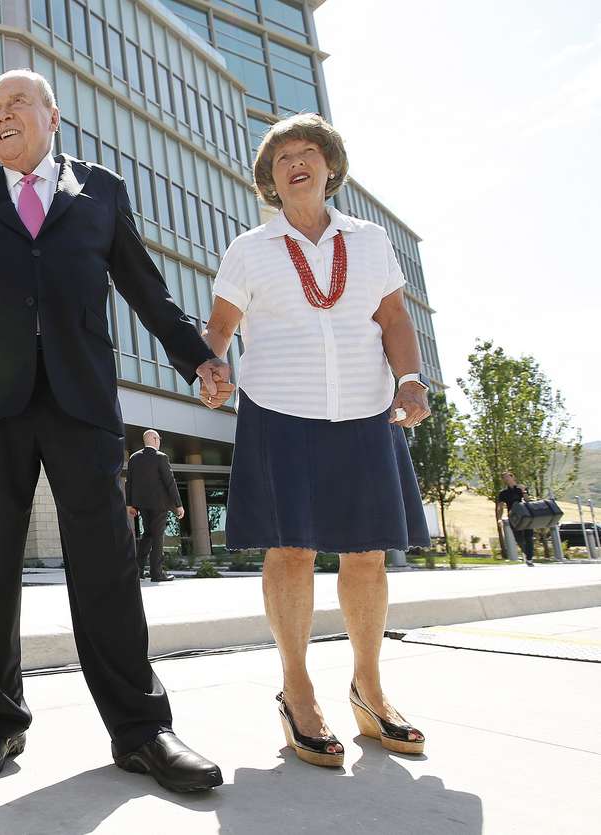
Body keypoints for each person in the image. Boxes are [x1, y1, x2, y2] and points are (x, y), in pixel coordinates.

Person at [0, 69, 233, 794]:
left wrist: (197, 358)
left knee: (107, 566)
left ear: (53, 116)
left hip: (82, 401)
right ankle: (0, 718)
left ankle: (141, 728)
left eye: (16, 104)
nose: (0, 115)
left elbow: (143, 286)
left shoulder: (100, 191)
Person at [201, 113, 431, 768]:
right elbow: (220, 326)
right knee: (292, 550)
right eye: (281, 158)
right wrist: (211, 365)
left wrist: (410, 381)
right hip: (281, 409)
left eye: (308, 152)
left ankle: (370, 687)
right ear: (270, 181)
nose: (296, 162)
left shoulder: (371, 240)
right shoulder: (249, 247)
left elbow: (393, 317)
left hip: (365, 410)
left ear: (331, 166)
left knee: (366, 553)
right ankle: (297, 690)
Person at [126, 430, 185, 583]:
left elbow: (129, 482)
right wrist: (178, 505)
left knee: (148, 535)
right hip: (159, 505)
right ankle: (157, 573)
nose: (159, 441)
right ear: (154, 439)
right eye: (158, 438)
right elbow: (170, 482)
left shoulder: (134, 458)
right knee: (157, 537)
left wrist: (129, 504)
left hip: (142, 505)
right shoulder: (161, 457)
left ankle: (137, 571)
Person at [496, 471, 535, 566]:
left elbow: (528, 500)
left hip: (526, 515)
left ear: (513, 477)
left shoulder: (521, 488)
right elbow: (500, 506)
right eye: (504, 478)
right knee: (519, 538)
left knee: (528, 536)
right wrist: (499, 518)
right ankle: (526, 553)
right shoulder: (503, 493)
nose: (506, 479)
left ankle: (529, 558)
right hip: (514, 517)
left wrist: (524, 491)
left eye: (507, 477)